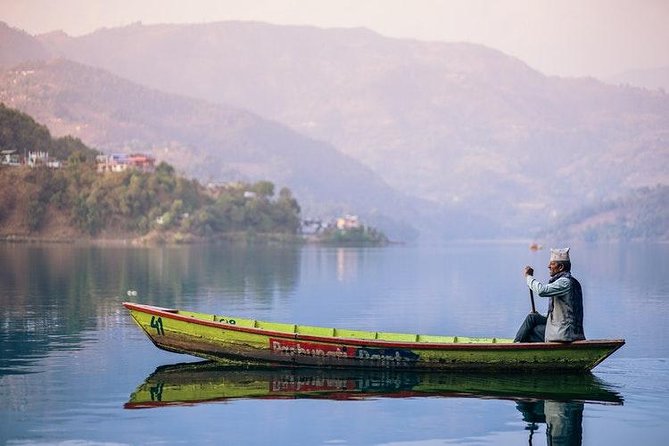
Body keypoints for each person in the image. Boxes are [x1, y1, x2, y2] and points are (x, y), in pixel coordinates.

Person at [514, 248, 585, 343]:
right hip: (567, 328)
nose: (548, 266)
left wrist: (529, 277)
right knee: (533, 317)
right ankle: (517, 343)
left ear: (561, 267)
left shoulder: (565, 282)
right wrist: (539, 315)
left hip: (566, 333)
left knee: (531, 331)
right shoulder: (572, 282)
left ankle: (515, 347)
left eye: (552, 264)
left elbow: (542, 291)